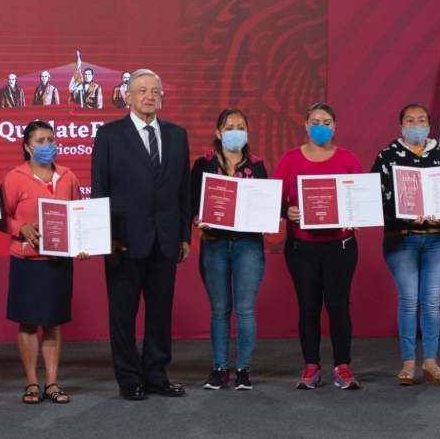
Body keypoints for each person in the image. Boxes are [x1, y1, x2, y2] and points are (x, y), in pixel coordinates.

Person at [91, 68, 191, 400]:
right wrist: (107, 237)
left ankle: (156, 374)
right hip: (124, 239)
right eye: (143, 90)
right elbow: (100, 191)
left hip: (165, 239)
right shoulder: (109, 134)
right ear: (128, 96)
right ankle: (129, 378)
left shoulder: (178, 134)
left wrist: (184, 235)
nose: (150, 96)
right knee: (122, 315)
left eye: (156, 91)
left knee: (160, 314)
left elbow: (184, 191)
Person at [0, 120, 88, 404]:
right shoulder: (14, 178)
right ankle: (32, 383)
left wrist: (83, 244)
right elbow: (0, 218)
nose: (47, 145)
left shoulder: (68, 176)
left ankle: (52, 383)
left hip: (58, 261)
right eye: (40, 141)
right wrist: (20, 228)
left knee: (52, 322)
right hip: (26, 260)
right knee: (27, 323)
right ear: (27, 147)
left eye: (51, 139)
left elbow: (78, 217)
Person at [274, 102, 363, 390]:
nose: (321, 126)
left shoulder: (348, 158)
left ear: (335, 126)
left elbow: (361, 198)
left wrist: (358, 214)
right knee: (308, 309)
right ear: (305, 125)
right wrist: (286, 211)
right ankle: (311, 367)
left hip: (341, 246)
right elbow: (274, 198)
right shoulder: (289, 159)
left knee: (339, 308)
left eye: (326, 122)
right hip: (302, 247)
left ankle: (343, 367)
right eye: (315, 121)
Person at [371, 103, 440, 386]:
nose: (415, 124)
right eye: (410, 120)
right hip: (401, 239)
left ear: (429, 125)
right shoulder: (386, 156)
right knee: (408, 301)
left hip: (438, 239)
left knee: (431, 302)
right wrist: (404, 214)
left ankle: (430, 362)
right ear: (401, 126)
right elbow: (373, 198)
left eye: (421, 120)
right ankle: (408, 363)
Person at [191, 108, 267, 390]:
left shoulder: (257, 166)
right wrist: (195, 216)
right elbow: (190, 200)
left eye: (241, 126)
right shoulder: (203, 164)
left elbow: (265, 203)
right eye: (229, 126)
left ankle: (244, 370)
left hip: (249, 245)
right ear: (218, 132)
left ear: (247, 132)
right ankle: (219, 369)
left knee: (245, 309)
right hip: (214, 244)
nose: (236, 130)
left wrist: (269, 217)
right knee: (220, 309)